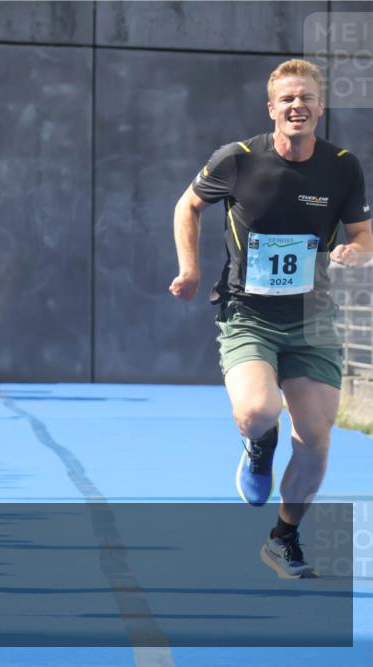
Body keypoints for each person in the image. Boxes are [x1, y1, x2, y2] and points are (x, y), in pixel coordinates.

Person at [170, 59, 372, 579]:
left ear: (320, 108)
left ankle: (284, 537)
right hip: (249, 314)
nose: (296, 106)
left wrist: (356, 251)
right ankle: (258, 448)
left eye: (305, 98)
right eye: (287, 99)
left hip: (312, 317)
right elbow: (187, 206)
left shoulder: (343, 166)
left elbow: (364, 233)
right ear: (272, 109)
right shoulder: (237, 159)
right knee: (259, 412)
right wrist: (189, 269)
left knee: (317, 438)